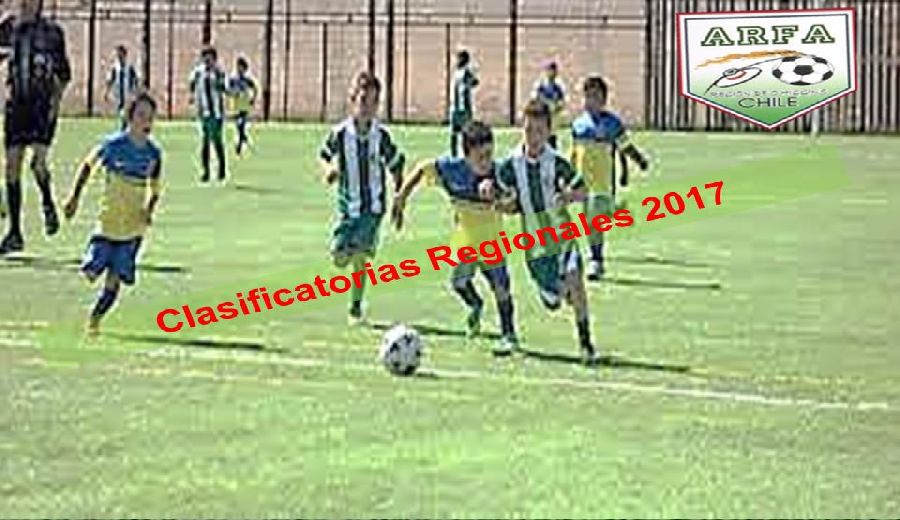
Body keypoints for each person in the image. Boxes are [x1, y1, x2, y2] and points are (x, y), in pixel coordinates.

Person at [392, 121, 518, 355]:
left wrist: (498, 198)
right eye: (481, 157)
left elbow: (514, 203)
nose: (487, 161)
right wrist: (401, 198)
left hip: (492, 241)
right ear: (466, 155)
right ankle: (475, 304)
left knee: (501, 288)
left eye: (489, 154)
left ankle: (509, 336)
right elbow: (422, 169)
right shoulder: (451, 170)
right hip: (466, 239)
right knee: (459, 284)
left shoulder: (500, 173)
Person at [494, 99, 598, 365]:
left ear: (549, 132)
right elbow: (509, 203)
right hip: (535, 245)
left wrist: (567, 197)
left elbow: (582, 190)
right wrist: (499, 202)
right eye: (528, 129)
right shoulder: (510, 165)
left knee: (576, 280)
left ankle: (586, 343)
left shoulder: (557, 162)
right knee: (553, 301)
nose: (533, 137)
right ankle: (559, 292)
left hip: (562, 235)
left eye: (539, 131)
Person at [62, 91, 163, 335]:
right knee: (90, 272)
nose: (146, 122)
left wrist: (148, 210)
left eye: (150, 117)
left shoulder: (153, 154)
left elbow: (155, 189)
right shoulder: (113, 145)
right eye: (141, 115)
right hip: (107, 225)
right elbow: (88, 165)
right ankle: (71, 311)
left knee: (114, 281)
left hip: (132, 229)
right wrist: (74, 198)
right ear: (129, 117)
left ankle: (95, 318)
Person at [319, 71, 406, 324]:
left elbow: (396, 165)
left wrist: (399, 200)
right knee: (338, 259)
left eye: (374, 102)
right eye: (364, 101)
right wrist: (329, 170)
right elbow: (323, 155)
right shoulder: (340, 133)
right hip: (348, 207)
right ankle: (350, 257)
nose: (368, 107)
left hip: (373, 208)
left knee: (360, 255)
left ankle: (355, 308)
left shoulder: (381, 136)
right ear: (353, 100)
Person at [0, 0, 71, 255]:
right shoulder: (9, 28)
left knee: (38, 164)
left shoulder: (52, 33)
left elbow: (64, 75)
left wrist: (55, 105)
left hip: (41, 107)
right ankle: (14, 232)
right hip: (16, 107)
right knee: (11, 167)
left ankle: (47, 202)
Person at [570, 76, 649, 280]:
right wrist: (569, 175)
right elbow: (575, 152)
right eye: (587, 96)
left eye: (595, 97)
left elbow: (624, 147)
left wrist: (638, 161)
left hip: (603, 181)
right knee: (590, 219)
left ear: (604, 99)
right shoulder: (578, 124)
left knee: (594, 219)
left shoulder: (612, 124)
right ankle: (615, 210)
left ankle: (596, 260)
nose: (590, 101)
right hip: (583, 181)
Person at [188, 46, 227, 183]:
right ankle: (205, 172)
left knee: (217, 141)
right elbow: (192, 84)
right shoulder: (198, 72)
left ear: (214, 58)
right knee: (204, 142)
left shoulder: (218, 72)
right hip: (204, 113)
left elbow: (224, 88)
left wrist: (218, 84)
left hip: (216, 113)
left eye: (209, 57)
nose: (207, 60)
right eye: (205, 57)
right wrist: (193, 96)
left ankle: (222, 170)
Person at [448, 49, 479, 157]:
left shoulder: (464, 72)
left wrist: (471, 79)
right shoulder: (460, 72)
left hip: (461, 109)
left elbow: (474, 82)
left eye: (458, 58)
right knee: (457, 134)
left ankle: (459, 155)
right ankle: (459, 155)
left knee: (459, 134)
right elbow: (475, 82)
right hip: (458, 108)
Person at [532, 60, 566, 149]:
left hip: (553, 119)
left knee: (551, 138)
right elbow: (535, 100)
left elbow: (562, 102)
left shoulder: (558, 87)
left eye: (554, 70)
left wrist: (557, 108)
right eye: (550, 70)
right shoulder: (540, 86)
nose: (553, 73)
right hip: (542, 117)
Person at [104, 44, 139, 130]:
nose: (119, 57)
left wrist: (135, 93)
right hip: (118, 95)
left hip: (128, 95)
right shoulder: (115, 68)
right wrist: (107, 92)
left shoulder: (130, 68)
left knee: (125, 114)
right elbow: (111, 80)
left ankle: (124, 128)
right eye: (118, 55)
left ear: (125, 55)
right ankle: (124, 128)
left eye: (121, 55)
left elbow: (136, 81)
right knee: (121, 113)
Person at [227, 56, 257, 156]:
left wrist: (253, 99)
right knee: (238, 126)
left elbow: (255, 88)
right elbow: (228, 90)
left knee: (241, 124)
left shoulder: (247, 79)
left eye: (242, 67)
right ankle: (244, 138)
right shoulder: (233, 79)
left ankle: (239, 147)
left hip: (245, 105)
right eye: (238, 66)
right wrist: (233, 93)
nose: (240, 69)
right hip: (236, 105)